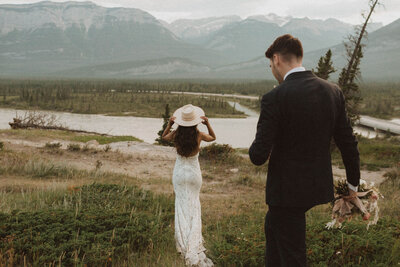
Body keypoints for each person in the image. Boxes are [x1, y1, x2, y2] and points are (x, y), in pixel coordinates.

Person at [249, 34, 360, 267]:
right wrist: (352, 186)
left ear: (277, 59)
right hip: (316, 186)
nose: (272, 70)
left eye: (271, 65)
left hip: (286, 192)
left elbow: (258, 156)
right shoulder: (332, 91)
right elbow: (348, 143)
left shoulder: (274, 97)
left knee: (292, 256)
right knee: (274, 231)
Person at [162, 104, 216, 267]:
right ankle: (194, 241)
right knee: (194, 204)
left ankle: (183, 242)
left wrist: (169, 125)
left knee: (181, 204)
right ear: (195, 122)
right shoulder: (199, 135)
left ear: (181, 122)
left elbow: (164, 138)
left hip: (179, 174)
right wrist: (208, 124)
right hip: (193, 174)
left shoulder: (176, 134)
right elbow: (213, 138)